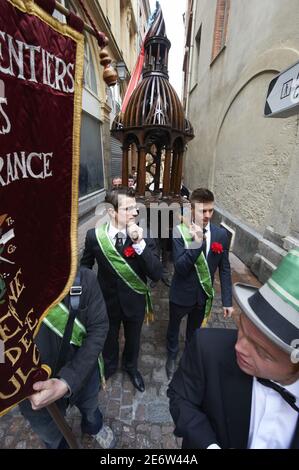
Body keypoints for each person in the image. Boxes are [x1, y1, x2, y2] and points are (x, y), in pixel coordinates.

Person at [168, 249, 299, 449]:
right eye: (242, 328)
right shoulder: (208, 348)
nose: (238, 347)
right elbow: (180, 398)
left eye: (262, 351)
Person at [19, 266, 115, 449]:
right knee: (52, 435)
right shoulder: (5, 296)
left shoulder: (83, 277)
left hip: (83, 372)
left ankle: (93, 427)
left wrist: (67, 381)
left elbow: (99, 327)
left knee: (91, 409)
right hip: (35, 391)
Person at [80, 187, 163, 392]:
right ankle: (109, 367)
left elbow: (156, 273)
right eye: (128, 209)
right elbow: (85, 267)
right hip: (106, 302)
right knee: (109, 338)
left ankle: (131, 367)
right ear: (111, 211)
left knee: (134, 338)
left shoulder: (145, 235)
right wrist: (88, 295)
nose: (135, 213)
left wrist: (139, 244)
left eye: (135, 208)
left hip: (134, 301)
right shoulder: (94, 237)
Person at [166, 188, 233, 380]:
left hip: (203, 295)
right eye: (203, 211)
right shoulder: (180, 232)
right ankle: (171, 354)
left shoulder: (220, 235)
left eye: (211, 211)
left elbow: (225, 269)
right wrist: (196, 244)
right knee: (173, 327)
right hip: (181, 293)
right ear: (192, 210)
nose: (207, 215)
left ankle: (189, 357)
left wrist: (227, 300)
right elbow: (180, 268)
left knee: (194, 331)